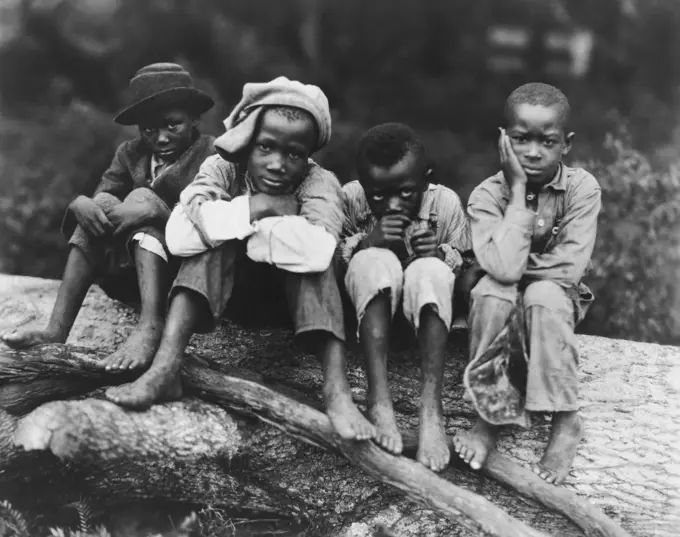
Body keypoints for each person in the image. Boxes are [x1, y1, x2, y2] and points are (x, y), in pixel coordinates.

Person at [105, 77, 377, 443]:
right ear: (247, 141)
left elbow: (318, 250)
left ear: (309, 154)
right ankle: (166, 368)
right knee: (210, 243)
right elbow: (179, 237)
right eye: (266, 147)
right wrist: (255, 208)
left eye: (295, 153)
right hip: (230, 297)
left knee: (313, 261)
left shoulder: (318, 182)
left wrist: (240, 227)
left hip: (290, 305)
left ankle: (336, 390)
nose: (279, 164)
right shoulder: (223, 168)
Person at [1, 63, 216, 372]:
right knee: (98, 206)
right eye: (149, 129)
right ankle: (56, 328)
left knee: (142, 198)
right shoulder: (130, 153)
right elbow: (106, 199)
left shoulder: (211, 156)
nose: (161, 138)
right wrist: (81, 204)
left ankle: (150, 326)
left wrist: (158, 211)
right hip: (130, 275)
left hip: (182, 274)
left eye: (173, 125)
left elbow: (216, 223)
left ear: (194, 118)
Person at [453, 82, 601, 485]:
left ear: (566, 144)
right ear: (503, 140)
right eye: (521, 140)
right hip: (501, 295)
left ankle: (565, 418)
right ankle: (488, 417)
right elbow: (498, 272)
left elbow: (569, 268)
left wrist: (512, 267)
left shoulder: (581, 189)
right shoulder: (487, 195)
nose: (533, 152)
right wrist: (517, 192)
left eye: (547, 142)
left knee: (540, 294)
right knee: (489, 291)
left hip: (555, 299)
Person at [337, 123, 472, 471]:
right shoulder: (349, 199)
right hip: (367, 317)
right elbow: (332, 269)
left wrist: (440, 256)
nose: (393, 205)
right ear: (363, 184)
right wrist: (368, 243)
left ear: (426, 179)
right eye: (378, 195)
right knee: (372, 260)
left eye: (406, 193)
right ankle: (379, 402)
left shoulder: (445, 204)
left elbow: (466, 273)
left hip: (425, 321)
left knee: (431, 271)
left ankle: (431, 409)